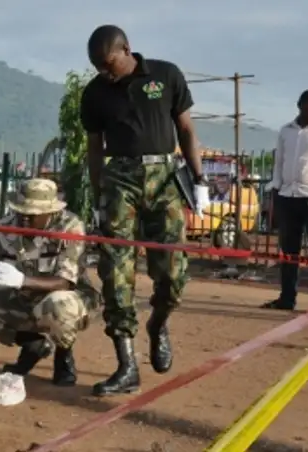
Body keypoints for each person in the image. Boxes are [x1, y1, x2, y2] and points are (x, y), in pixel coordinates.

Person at [80, 25, 209, 396]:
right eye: (97, 67)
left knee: (173, 273)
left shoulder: (165, 75)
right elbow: (93, 146)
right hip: (119, 178)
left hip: (165, 177)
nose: (104, 73)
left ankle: (158, 323)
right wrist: (98, 194)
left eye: (108, 65)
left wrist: (198, 179)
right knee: (116, 272)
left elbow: (185, 128)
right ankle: (126, 365)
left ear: (127, 50)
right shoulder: (95, 93)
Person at [0, 178, 102, 385]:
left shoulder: (69, 227)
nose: (24, 219)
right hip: (22, 299)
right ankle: (33, 344)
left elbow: (65, 282)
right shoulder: (4, 229)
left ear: (50, 212)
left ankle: (64, 356)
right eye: (20, 211)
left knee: (60, 305)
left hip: (69, 299)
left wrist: (22, 280)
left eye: (32, 215)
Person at [262, 90, 308, 311]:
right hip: (288, 196)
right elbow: (280, 161)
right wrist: (276, 187)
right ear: (300, 105)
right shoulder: (286, 131)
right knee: (289, 251)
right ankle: (287, 299)